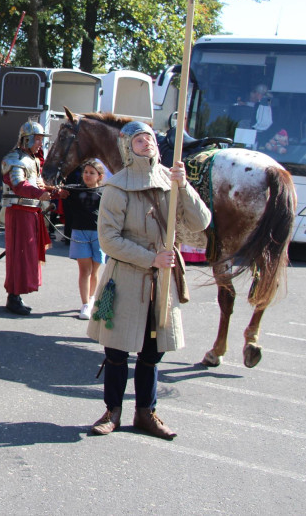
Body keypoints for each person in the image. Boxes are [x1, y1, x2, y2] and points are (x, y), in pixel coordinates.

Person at [88, 121, 211, 440]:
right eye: (140, 140)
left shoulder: (171, 181)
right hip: (127, 277)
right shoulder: (117, 187)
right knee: (116, 351)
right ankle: (112, 411)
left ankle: (146, 413)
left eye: (150, 138)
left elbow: (201, 222)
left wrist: (184, 186)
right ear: (128, 147)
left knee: (153, 351)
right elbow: (108, 240)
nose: (148, 143)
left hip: (163, 280)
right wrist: (150, 258)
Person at [0, 120, 67, 316]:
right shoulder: (14, 159)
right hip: (19, 212)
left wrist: (55, 192)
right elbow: (19, 185)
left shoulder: (34, 160)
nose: (40, 143)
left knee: (27, 255)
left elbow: (38, 185)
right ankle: (13, 297)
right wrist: (40, 194)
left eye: (41, 139)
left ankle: (18, 295)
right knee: (19, 255)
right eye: (37, 139)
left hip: (32, 213)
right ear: (26, 139)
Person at [63, 159, 107, 320]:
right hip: (79, 232)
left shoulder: (105, 192)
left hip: (98, 234)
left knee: (95, 271)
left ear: (99, 176)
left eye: (91, 173)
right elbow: (58, 191)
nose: (87, 175)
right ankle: (85, 304)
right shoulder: (74, 190)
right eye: (85, 172)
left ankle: (91, 297)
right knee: (84, 270)